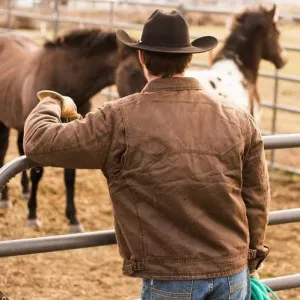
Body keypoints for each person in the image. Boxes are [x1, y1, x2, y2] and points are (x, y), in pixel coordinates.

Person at [23, 9, 270, 300]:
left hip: (170, 276)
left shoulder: (118, 118)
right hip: (232, 273)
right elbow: (256, 195)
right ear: (189, 58)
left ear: (141, 58)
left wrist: (53, 101)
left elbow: (38, 141)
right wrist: (251, 258)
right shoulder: (238, 117)